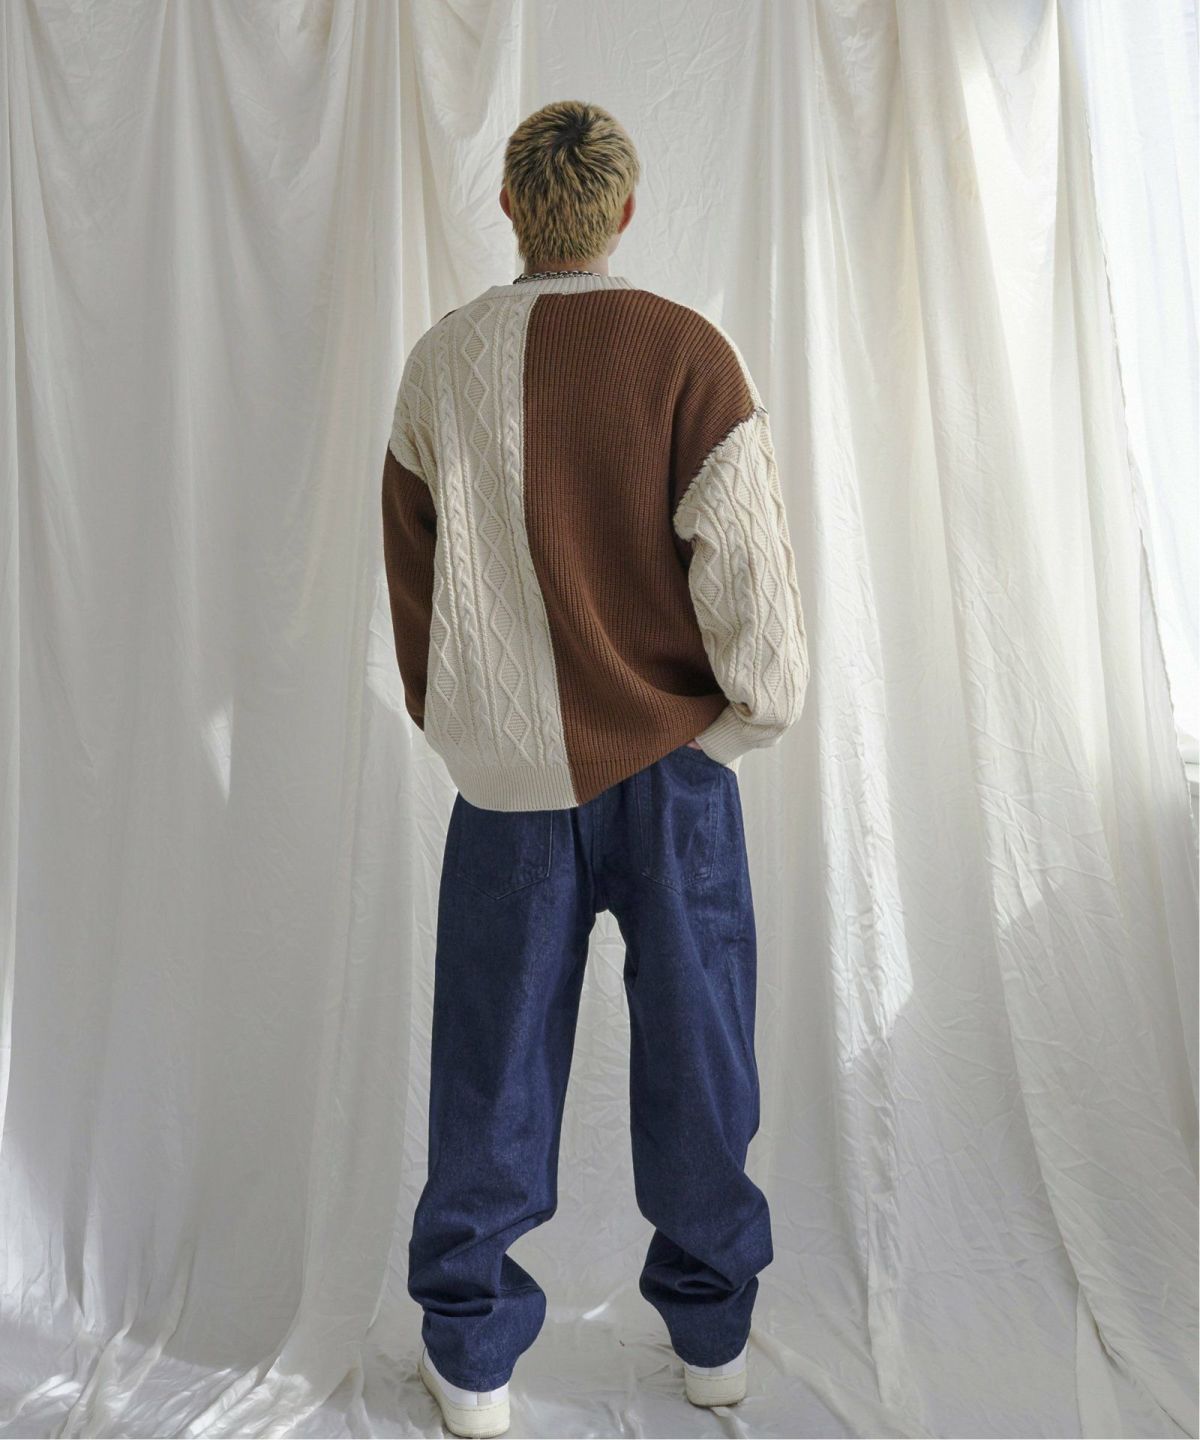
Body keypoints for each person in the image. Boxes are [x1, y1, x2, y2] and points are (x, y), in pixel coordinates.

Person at [382, 98, 809, 1440]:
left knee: (491, 1063)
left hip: (509, 783)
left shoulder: (442, 363)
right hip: (676, 776)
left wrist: (472, 727)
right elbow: (753, 586)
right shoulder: (688, 353)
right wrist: (732, 729)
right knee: (702, 1050)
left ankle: (473, 1358)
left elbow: (414, 587)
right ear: (623, 211)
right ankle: (714, 1338)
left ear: (511, 204)